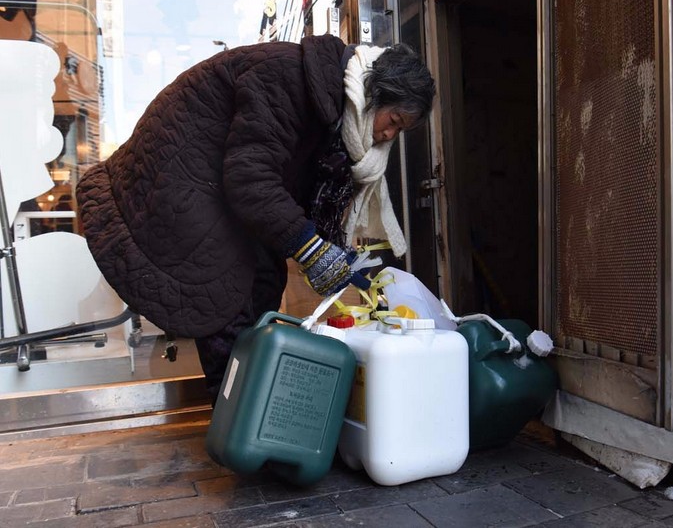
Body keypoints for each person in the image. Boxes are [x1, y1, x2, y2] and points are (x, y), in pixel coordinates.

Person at [76, 34, 436, 401]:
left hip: (220, 185)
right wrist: (311, 250)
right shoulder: (285, 75)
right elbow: (251, 177)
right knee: (225, 296)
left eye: (400, 131)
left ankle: (247, 409)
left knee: (265, 281)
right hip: (178, 181)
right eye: (394, 120)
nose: (389, 135)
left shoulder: (332, 100)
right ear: (375, 93)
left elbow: (285, 185)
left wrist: (322, 246)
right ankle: (233, 414)